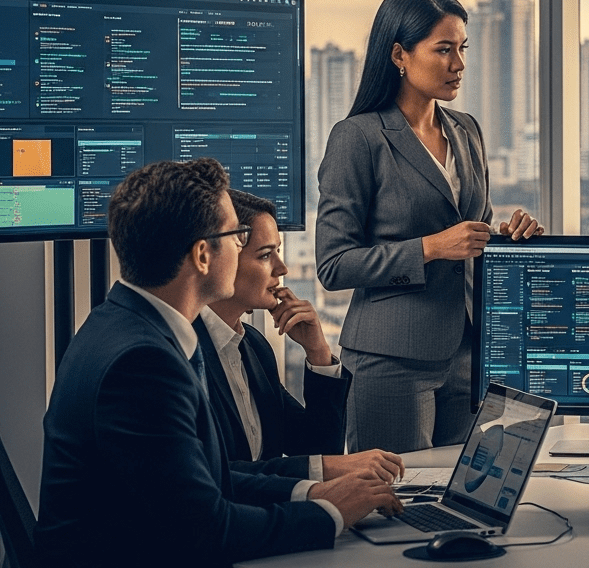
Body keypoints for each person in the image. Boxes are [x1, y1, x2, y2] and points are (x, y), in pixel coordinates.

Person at [37, 159, 401, 567]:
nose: (245, 248)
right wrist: (331, 512)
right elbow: (206, 533)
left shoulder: (126, 327)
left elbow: (210, 485)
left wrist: (315, 493)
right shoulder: (142, 364)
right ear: (202, 255)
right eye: (238, 237)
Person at [318, 0, 542, 455]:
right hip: (392, 359)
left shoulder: (466, 130)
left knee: (461, 495)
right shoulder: (358, 138)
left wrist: (510, 241)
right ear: (399, 54)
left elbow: (471, 236)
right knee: (396, 499)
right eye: (443, 50)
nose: (458, 64)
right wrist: (431, 247)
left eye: (462, 48)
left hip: (468, 352)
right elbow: (334, 264)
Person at [193, 189, 404, 484]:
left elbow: (317, 449)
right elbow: (213, 477)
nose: (282, 268)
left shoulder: (253, 346)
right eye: (266, 255)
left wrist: (317, 353)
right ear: (217, 257)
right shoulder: (183, 353)